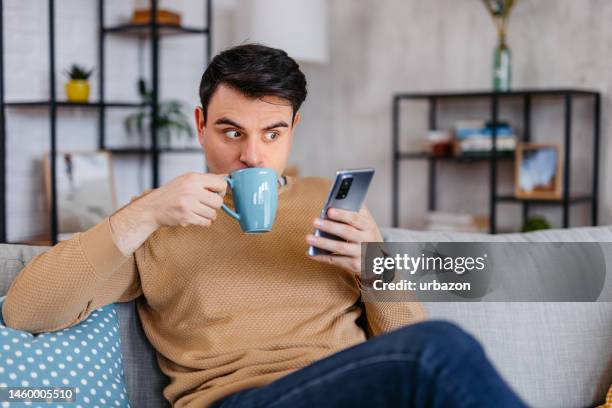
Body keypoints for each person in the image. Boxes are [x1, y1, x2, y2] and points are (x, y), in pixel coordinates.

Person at [2, 44, 527, 407]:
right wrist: (142, 214)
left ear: (294, 128)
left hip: (354, 390)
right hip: (243, 400)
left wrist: (377, 270)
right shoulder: (158, 220)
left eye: (273, 134)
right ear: (201, 125)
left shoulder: (330, 202)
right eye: (231, 132)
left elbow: (407, 347)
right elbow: (27, 310)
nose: (252, 156)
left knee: (435, 351)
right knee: (442, 347)